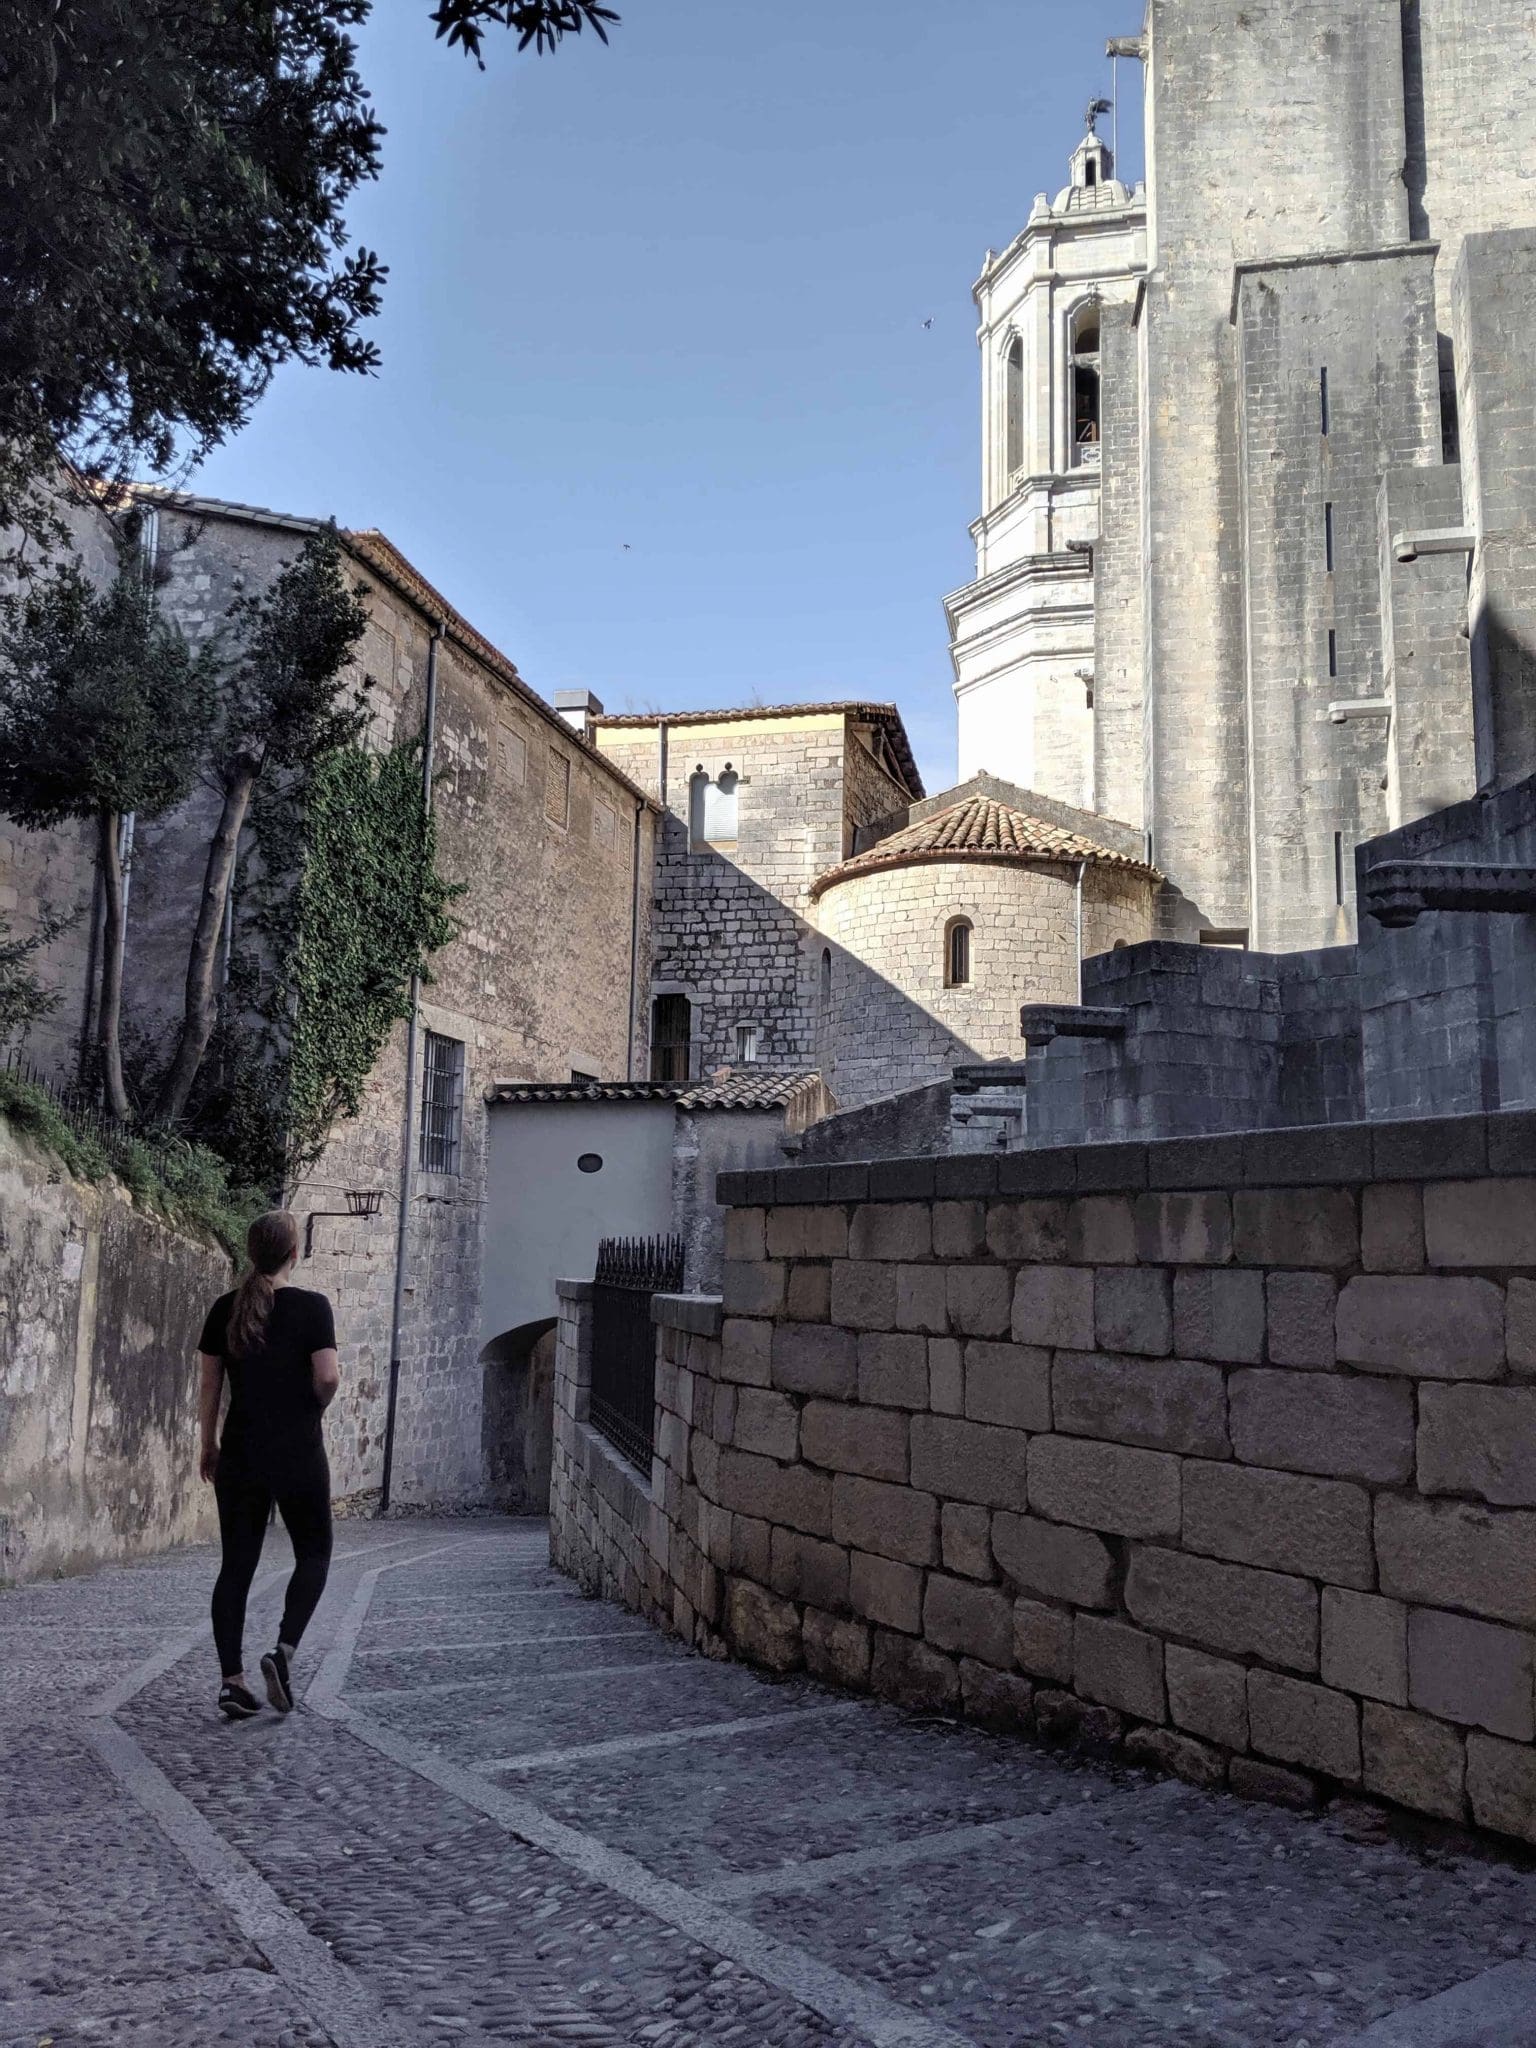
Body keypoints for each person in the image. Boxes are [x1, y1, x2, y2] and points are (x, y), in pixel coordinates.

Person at [197, 1209, 340, 1720]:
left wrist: (208, 1444)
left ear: (251, 1251)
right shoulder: (312, 1307)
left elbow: (210, 1385)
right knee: (315, 1552)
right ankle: (283, 1652)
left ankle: (231, 1682)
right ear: (295, 1254)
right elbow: (327, 1377)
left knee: (236, 1564)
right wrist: (312, 1405)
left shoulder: (224, 1309)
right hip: (298, 1450)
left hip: (240, 1451)